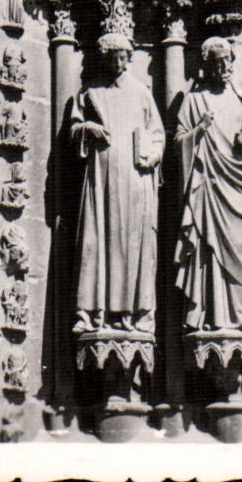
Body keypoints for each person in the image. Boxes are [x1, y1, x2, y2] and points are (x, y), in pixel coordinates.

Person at [66, 31, 164, 334]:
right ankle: (92, 312)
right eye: (111, 58)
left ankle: (131, 314)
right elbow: (73, 129)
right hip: (101, 179)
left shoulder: (141, 93)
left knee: (131, 243)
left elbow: (158, 134)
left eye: (122, 57)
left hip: (135, 181)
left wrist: (152, 156)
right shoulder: (91, 92)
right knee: (96, 241)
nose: (117, 63)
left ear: (129, 58)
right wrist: (88, 129)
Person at [174, 38, 242, 331]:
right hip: (207, 187)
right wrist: (199, 129)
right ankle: (205, 311)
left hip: (237, 187)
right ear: (206, 65)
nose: (222, 67)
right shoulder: (194, 101)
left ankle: (240, 314)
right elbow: (178, 142)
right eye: (216, 62)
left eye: (227, 60)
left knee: (240, 248)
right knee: (207, 248)